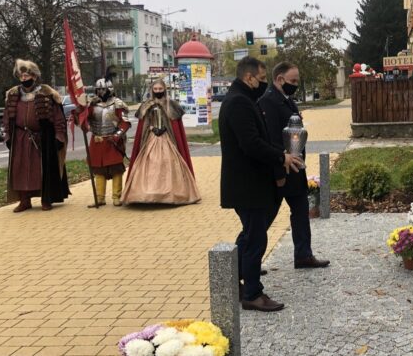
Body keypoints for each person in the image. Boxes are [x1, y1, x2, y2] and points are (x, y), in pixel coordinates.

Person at [220, 56, 303, 312]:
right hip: (248, 184)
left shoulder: (244, 100)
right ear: (249, 77)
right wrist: (281, 157)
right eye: (262, 79)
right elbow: (251, 143)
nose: (264, 83)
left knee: (249, 235)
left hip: (249, 183)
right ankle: (252, 293)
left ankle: (234, 280)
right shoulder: (239, 103)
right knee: (255, 239)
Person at [259, 62, 330, 269]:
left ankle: (303, 255)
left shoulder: (286, 100)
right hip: (281, 170)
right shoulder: (268, 102)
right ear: (279, 79)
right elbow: (271, 139)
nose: (296, 85)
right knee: (264, 219)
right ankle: (247, 263)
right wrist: (278, 172)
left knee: (300, 212)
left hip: (296, 168)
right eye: (293, 81)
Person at [3, 59, 70, 212]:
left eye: (27, 75)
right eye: (21, 76)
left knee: (42, 170)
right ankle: (24, 201)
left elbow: (58, 118)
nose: (24, 78)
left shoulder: (46, 93)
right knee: (20, 169)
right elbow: (7, 118)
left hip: (42, 138)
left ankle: (46, 199)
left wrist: (59, 136)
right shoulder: (13, 94)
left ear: (34, 76)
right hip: (19, 138)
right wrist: (7, 136)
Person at [121, 80, 200, 205]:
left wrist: (165, 129)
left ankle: (172, 193)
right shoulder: (147, 105)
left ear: (164, 89)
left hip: (167, 138)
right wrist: (152, 128)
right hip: (151, 138)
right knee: (150, 162)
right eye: (155, 89)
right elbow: (144, 124)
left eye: (160, 89)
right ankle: (147, 193)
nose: (158, 91)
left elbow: (174, 125)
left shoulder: (171, 104)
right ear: (152, 90)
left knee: (168, 162)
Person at [77, 76, 131, 207]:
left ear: (109, 89)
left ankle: (116, 197)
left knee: (116, 169)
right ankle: (100, 197)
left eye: (103, 89)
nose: (101, 92)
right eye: (98, 89)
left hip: (113, 141)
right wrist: (79, 111)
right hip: (97, 140)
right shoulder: (92, 105)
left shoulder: (117, 104)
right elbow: (83, 121)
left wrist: (117, 136)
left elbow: (125, 123)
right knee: (99, 169)